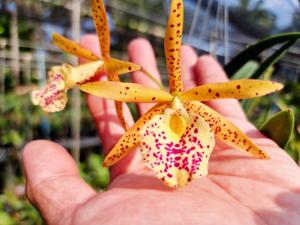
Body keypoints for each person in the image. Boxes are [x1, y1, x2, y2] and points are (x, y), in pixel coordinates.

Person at [22, 35, 300, 225]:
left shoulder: (190, 110)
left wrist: (250, 147)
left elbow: (227, 130)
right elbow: (130, 137)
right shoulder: (160, 109)